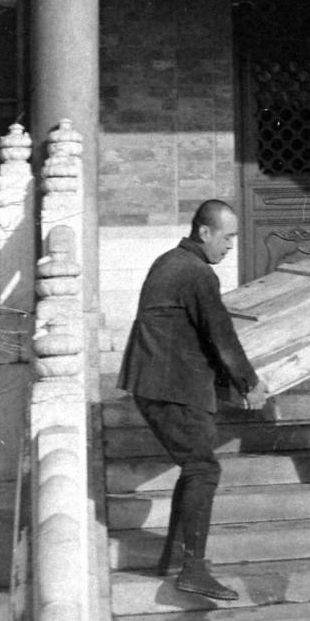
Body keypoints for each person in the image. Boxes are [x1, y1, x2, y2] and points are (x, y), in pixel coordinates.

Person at [117, 199, 267, 600]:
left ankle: (176, 560)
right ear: (204, 232)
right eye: (227, 237)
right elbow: (220, 335)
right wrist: (249, 383)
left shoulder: (170, 261)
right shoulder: (197, 273)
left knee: (195, 467)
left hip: (159, 384)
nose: (231, 245)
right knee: (202, 469)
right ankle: (193, 569)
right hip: (173, 387)